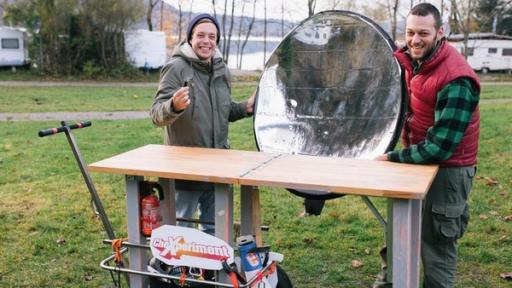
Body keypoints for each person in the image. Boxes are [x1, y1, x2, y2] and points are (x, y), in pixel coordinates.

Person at [374, 3, 480, 288]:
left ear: (440, 32)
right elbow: (402, 55)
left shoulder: (457, 79)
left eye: (423, 32)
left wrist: (392, 158)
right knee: (398, 231)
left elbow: (441, 147)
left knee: (437, 246)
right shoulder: (417, 59)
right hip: (415, 162)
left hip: (448, 171)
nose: (415, 40)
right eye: (410, 32)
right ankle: (392, 283)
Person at [150, 14, 255, 235]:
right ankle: (179, 268)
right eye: (200, 35)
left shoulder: (221, 69)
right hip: (186, 168)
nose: (206, 41)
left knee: (215, 230)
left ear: (217, 40)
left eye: (212, 36)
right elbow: (157, 114)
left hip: (218, 165)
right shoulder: (176, 68)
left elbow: (221, 111)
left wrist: (245, 108)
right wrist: (174, 106)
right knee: (181, 229)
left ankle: (209, 270)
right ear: (190, 38)